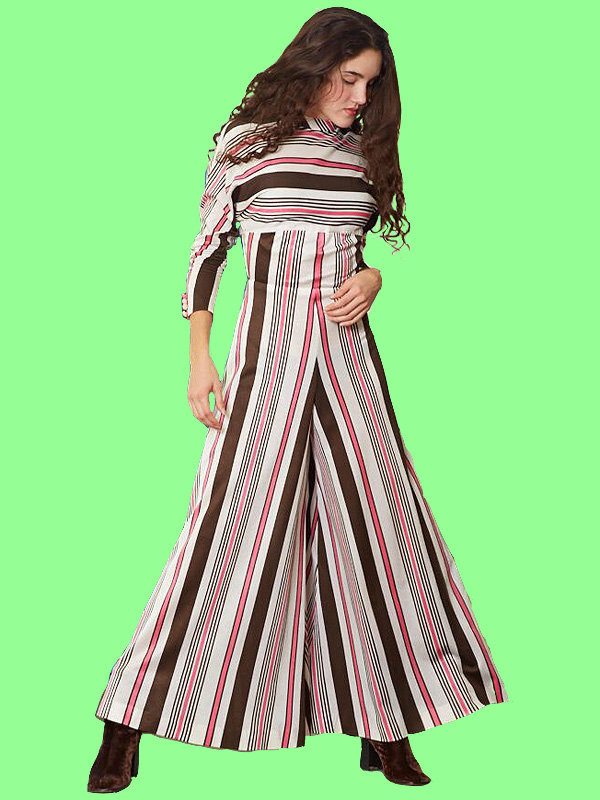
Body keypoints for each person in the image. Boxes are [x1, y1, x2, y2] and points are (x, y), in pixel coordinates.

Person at [88, 8, 508, 792]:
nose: (359, 97)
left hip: (351, 366)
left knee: (377, 534)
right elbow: (209, 250)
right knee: (227, 535)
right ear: (313, 67)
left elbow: (358, 251)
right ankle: (126, 717)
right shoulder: (245, 143)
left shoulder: (360, 153)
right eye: (348, 79)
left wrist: (374, 278)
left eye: (370, 85)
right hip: (267, 360)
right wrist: (199, 360)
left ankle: (386, 724)